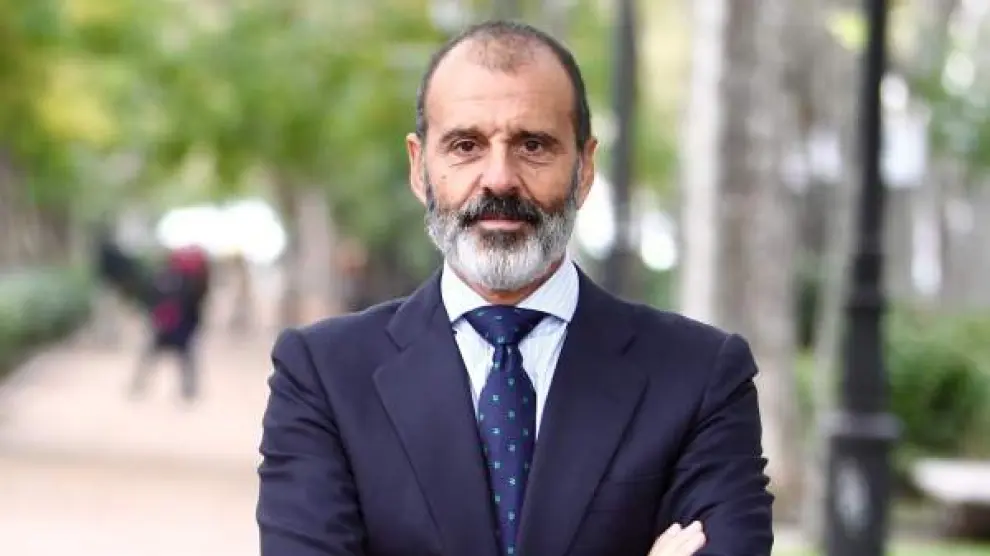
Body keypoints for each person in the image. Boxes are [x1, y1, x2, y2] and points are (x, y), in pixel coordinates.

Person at [257, 20, 773, 556]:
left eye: (533, 145)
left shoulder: (700, 377)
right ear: (419, 167)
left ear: (584, 168)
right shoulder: (324, 377)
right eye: (466, 145)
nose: (500, 177)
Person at [131, 245, 210, 402]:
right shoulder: (193, 282)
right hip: (180, 329)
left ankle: (139, 386)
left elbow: (151, 299)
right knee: (186, 360)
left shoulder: (165, 278)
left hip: (165, 326)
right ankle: (188, 391)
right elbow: (196, 305)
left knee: (152, 357)